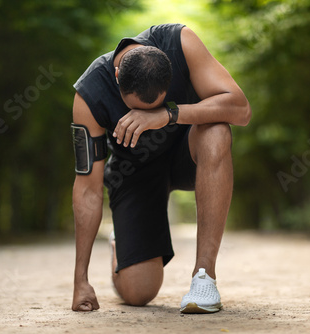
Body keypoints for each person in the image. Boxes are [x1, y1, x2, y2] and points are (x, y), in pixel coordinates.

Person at [71, 23, 251, 314]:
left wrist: (168, 114)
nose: (144, 115)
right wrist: (81, 280)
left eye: (151, 106)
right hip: (134, 175)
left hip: (187, 152)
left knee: (217, 131)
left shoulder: (181, 42)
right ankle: (122, 243)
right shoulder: (89, 94)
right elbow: (88, 190)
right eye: (137, 109)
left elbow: (240, 109)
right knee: (139, 292)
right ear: (117, 78)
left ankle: (204, 277)